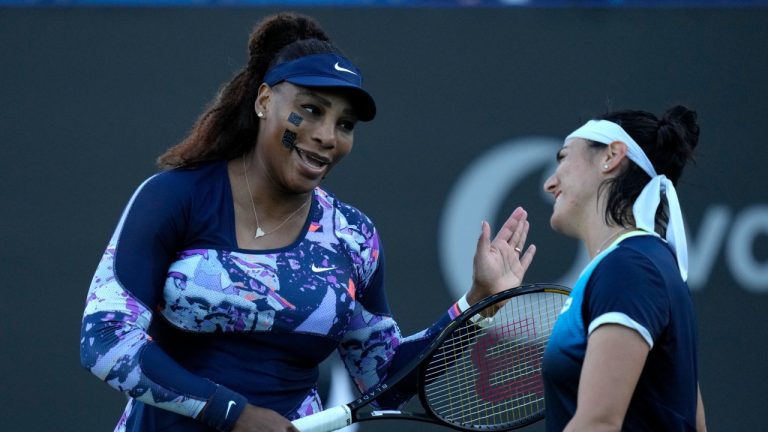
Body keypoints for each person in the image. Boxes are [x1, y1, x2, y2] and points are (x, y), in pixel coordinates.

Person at [79, 12, 536, 432]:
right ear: (264, 100)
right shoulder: (174, 197)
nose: (327, 136)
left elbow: (384, 380)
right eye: (313, 110)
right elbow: (104, 339)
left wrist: (479, 302)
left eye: (345, 124)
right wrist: (234, 414)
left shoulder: (353, 237)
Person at [541, 105, 707, 431]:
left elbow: (598, 423)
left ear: (612, 156)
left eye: (563, 158)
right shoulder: (643, 263)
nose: (550, 183)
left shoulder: (629, 269)